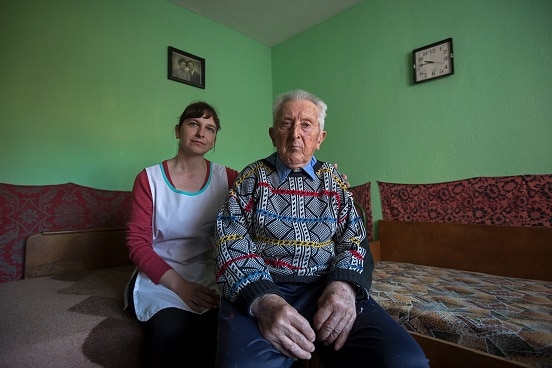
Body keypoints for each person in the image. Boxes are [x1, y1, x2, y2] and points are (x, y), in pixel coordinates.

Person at [213, 89, 430, 368]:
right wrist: (263, 300)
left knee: (405, 360)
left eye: (306, 125)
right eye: (286, 124)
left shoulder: (334, 181)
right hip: (264, 286)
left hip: (325, 287)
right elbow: (229, 240)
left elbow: (354, 240)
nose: (295, 135)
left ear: (320, 139)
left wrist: (344, 287)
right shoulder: (251, 178)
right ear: (272, 135)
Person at [124, 101, 239, 368]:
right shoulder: (149, 179)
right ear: (178, 131)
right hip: (161, 277)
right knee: (171, 330)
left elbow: (267, 193)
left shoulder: (229, 178)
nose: (201, 133)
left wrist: (316, 176)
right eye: (193, 124)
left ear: (213, 140)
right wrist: (180, 286)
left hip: (210, 274)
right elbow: (137, 242)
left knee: (224, 327)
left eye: (209, 129)